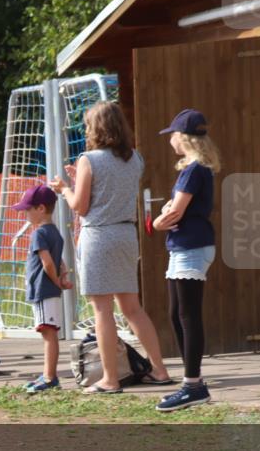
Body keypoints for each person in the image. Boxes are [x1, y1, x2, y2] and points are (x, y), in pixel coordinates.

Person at [49, 101, 172, 393]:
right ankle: (160, 369)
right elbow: (110, 189)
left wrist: (65, 188)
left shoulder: (88, 159)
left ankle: (110, 379)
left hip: (99, 236)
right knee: (132, 308)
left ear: (97, 128)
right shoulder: (135, 158)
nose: (86, 130)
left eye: (88, 125)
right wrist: (81, 180)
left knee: (102, 310)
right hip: (125, 235)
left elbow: (80, 206)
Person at [152, 109, 221, 411]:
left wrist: (158, 222)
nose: (170, 141)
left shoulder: (194, 170)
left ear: (184, 138)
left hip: (192, 247)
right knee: (176, 313)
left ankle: (192, 385)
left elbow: (175, 211)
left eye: (173, 135)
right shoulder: (195, 169)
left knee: (188, 316)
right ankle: (193, 382)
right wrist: (166, 211)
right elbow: (174, 206)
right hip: (184, 247)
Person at [12, 185, 73, 393]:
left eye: (28, 209)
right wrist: (63, 277)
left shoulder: (39, 233)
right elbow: (60, 261)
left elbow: (47, 263)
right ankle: (48, 374)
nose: (25, 214)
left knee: (48, 333)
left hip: (43, 289)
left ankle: (49, 377)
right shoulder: (55, 232)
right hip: (48, 290)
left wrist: (56, 281)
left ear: (41, 208)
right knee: (49, 332)